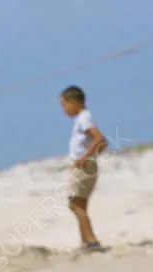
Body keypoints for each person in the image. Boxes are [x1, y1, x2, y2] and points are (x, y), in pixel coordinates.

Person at [60, 86, 108, 253]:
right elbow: (103, 144)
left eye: (64, 105)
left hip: (82, 166)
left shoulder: (83, 118)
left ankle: (92, 241)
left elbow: (100, 138)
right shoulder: (84, 118)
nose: (64, 110)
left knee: (74, 204)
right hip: (87, 165)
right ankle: (85, 242)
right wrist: (92, 156)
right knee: (81, 204)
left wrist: (85, 157)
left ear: (73, 102)